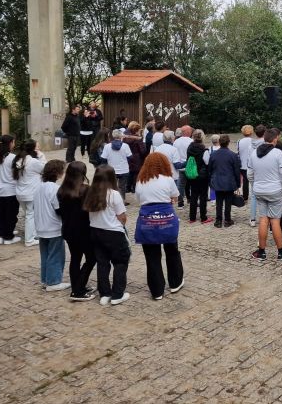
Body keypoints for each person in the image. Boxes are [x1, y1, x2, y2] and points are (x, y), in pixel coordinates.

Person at [134, 152, 185, 299]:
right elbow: (175, 196)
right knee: (172, 251)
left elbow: (139, 199)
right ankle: (175, 282)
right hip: (166, 218)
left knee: (152, 256)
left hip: (147, 219)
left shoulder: (140, 181)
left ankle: (157, 291)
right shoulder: (168, 179)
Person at [84, 165, 131, 306]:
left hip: (96, 231)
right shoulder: (113, 194)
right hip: (113, 233)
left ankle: (104, 293)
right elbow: (122, 216)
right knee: (120, 262)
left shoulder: (90, 193)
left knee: (102, 263)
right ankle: (118, 294)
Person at [248, 128, 282, 261]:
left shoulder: (254, 153)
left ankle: (261, 251)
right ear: (274, 140)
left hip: (259, 190)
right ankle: (281, 252)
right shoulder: (278, 153)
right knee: (275, 220)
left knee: (263, 219)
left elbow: (249, 174)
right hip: (275, 191)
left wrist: (255, 184)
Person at [57, 161, 96, 301]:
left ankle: (78, 286)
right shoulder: (85, 190)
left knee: (75, 258)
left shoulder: (61, 190)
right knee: (92, 258)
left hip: (68, 229)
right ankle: (78, 289)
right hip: (84, 230)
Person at [33, 159, 69, 292]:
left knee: (45, 254)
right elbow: (59, 209)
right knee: (56, 254)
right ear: (58, 173)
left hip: (41, 227)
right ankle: (53, 281)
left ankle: (45, 279)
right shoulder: (55, 189)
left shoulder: (39, 187)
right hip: (53, 227)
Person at [0, 134, 22, 245]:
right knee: (11, 215)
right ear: (10, 143)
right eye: (13, 142)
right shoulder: (12, 157)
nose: (14, 144)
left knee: (1, 214)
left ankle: (0, 235)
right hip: (11, 190)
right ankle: (8, 237)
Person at [13, 139, 47, 247]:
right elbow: (45, 169)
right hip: (31, 193)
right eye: (37, 147)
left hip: (20, 192)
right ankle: (29, 239)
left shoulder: (18, 159)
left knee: (29, 214)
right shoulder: (32, 161)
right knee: (30, 215)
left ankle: (33, 234)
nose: (38, 149)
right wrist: (41, 156)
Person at [208, 134, 241, 228]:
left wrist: (210, 181)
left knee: (219, 202)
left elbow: (209, 169)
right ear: (228, 143)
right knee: (228, 202)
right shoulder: (233, 155)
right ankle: (227, 220)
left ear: (220, 142)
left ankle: (218, 220)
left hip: (217, 181)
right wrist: (238, 184)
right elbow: (236, 171)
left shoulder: (213, 154)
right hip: (229, 182)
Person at [186, 129, 213, 225]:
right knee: (203, 196)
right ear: (202, 137)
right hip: (202, 175)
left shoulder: (189, 147)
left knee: (193, 195)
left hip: (192, 173)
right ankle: (203, 217)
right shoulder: (204, 149)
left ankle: (192, 217)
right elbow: (207, 162)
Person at [100, 129, 133, 203]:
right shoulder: (125, 146)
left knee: (111, 186)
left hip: (111, 169)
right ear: (121, 136)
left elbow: (103, 158)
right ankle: (122, 201)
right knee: (122, 186)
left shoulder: (107, 146)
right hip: (124, 169)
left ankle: (111, 200)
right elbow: (130, 157)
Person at [246, 125, 266, 226]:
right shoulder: (266, 144)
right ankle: (266, 217)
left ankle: (253, 219)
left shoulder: (251, 145)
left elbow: (249, 159)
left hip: (252, 170)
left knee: (254, 195)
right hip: (263, 170)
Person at [123, 121, 146, 194]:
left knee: (130, 172)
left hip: (128, 157)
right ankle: (134, 188)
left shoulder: (124, 136)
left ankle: (127, 187)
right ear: (136, 130)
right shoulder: (138, 139)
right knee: (136, 173)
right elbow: (142, 151)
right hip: (137, 158)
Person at [173, 125, 194, 208]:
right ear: (188, 132)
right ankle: (191, 200)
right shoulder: (191, 141)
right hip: (190, 165)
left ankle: (180, 202)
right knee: (192, 184)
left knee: (181, 185)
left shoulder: (176, 142)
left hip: (180, 166)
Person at [238, 125, 254, 202]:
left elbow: (238, 152)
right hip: (252, 164)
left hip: (242, 163)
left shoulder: (239, 141)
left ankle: (245, 197)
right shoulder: (253, 141)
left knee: (245, 181)